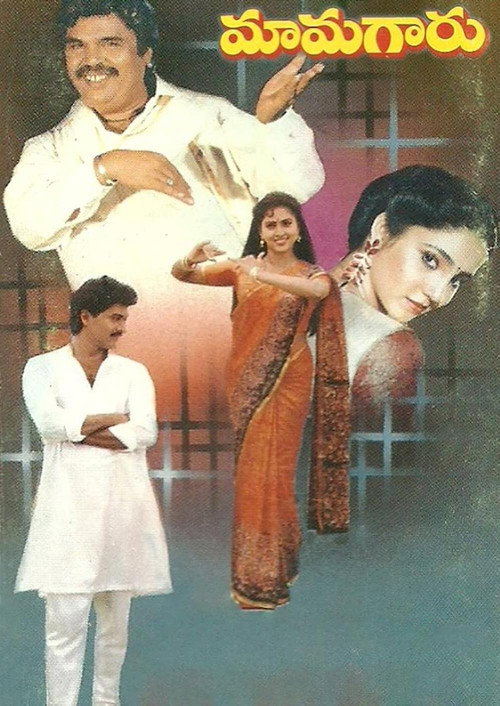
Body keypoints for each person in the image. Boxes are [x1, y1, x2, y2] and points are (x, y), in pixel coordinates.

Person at [3, 0, 325, 427]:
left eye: (110, 43)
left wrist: (274, 119)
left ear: (146, 54)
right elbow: (29, 225)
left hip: (237, 350)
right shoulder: (51, 150)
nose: (90, 60)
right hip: (132, 365)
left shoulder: (204, 116)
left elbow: (295, 187)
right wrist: (106, 168)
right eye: (76, 46)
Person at [308, 165, 498, 535]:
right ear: (380, 230)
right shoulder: (393, 348)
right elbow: (382, 493)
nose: (438, 295)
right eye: (431, 259)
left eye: (456, 281)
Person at [172, 192, 331, 609]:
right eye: (270, 224)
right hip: (245, 381)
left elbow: (318, 290)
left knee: (277, 472)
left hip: (289, 380)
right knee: (252, 475)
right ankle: (255, 575)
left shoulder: (309, 273)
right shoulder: (239, 270)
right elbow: (182, 275)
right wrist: (191, 257)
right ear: (260, 231)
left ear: (298, 230)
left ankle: (277, 565)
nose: (279, 231)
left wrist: (261, 273)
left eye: (286, 223)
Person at [18, 275, 171, 705]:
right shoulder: (42, 368)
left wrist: (77, 429)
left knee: (114, 628)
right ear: (86, 316)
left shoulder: (133, 372)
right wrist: (112, 419)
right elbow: (48, 425)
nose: (122, 327)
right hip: (66, 510)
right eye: (115, 318)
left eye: (124, 319)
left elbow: (145, 431)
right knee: (63, 626)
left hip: (123, 508)